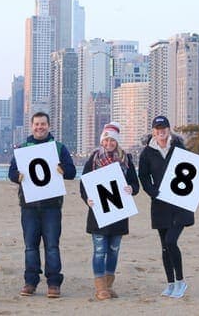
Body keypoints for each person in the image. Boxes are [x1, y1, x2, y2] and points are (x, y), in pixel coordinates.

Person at [138, 115, 199, 299]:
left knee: (171, 241)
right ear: (153, 131)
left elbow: (191, 171)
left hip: (180, 204)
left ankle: (180, 281)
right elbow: (144, 177)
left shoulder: (178, 147)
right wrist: (152, 192)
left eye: (164, 128)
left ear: (169, 130)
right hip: (160, 204)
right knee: (164, 247)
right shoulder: (147, 153)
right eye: (157, 129)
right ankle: (170, 284)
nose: (161, 132)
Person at [8, 112, 76, 298]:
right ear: (31, 126)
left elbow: (71, 171)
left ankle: (54, 283)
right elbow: (12, 172)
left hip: (52, 206)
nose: (40, 127)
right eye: (37, 124)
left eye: (43, 124)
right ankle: (30, 281)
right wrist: (17, 176)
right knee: (30, 246)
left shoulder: (59, 147)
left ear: (49, 126)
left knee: (52, 245)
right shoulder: (22, 148)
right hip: (29, 206)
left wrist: (63, 169)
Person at [80, 122, 140, 300]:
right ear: (102, 141)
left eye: (112, 140)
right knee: (100, 250)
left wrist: (131, 189)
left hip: (118, 213)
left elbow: (135, 184)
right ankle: (100, 288)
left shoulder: (126, 160)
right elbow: (84, 183)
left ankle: (108, 284)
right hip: (98, 213)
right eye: (106, 140)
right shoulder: (94, 159)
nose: (109, 143)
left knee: (114, 249)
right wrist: (87, 199)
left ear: (117, 142)